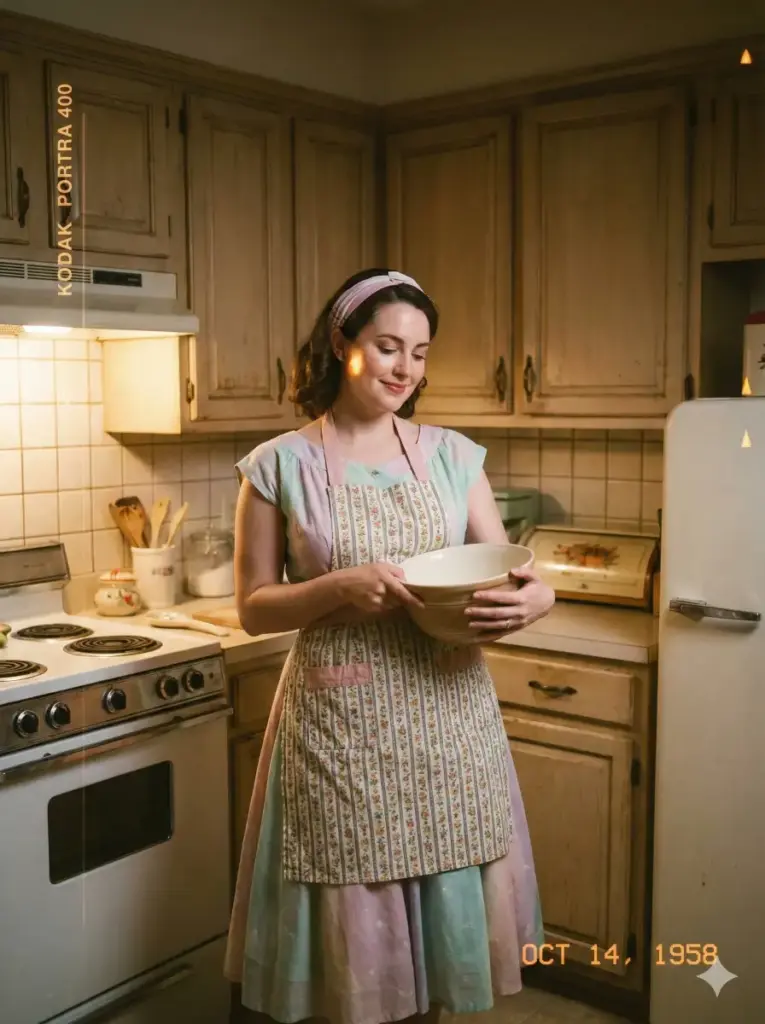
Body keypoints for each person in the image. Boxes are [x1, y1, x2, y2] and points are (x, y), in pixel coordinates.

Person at [225, 268, 555, 1024]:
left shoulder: (454, 457)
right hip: (341, 727)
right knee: (355, 956)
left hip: (448, 717)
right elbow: (251, 609)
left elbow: (511, 569)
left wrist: (539, 597)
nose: (406, 368)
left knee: (438, 944)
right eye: (387, 347)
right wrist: (336, 589)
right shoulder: (278, 466)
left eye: (420, 352)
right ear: (341, 343)